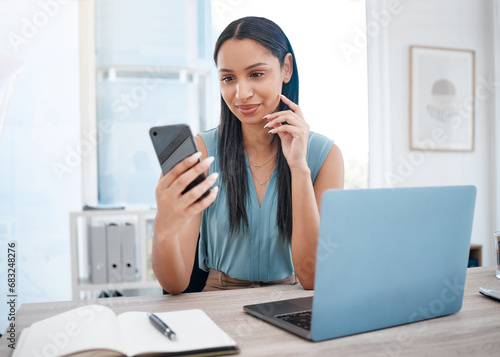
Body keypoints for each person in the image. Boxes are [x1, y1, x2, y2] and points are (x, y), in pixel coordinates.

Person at [152, 16, 344, 294]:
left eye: (256, 74)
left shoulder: (325, 156)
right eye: (228, 78)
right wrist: (164, 229)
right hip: (217, 298)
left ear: (285, 68)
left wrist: (299, 169)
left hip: (288, 299)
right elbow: (174, 284)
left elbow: (312, 278)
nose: (241, 93)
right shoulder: (201, 153)